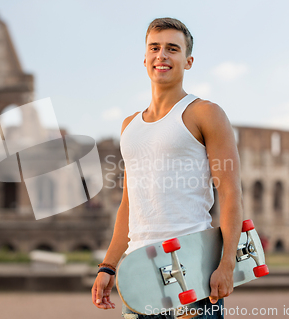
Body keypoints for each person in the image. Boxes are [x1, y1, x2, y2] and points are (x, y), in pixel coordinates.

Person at [91, 17, 243, 319]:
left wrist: (227, 264)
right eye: (155, 48)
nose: (162, 55)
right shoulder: (129, 126)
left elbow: (229, 193)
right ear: (145, 58)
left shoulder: (205, 113)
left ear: (188, 61)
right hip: (139, 274)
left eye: (172, 49)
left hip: (192, 272)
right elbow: (129, 203)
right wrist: (108, 265)